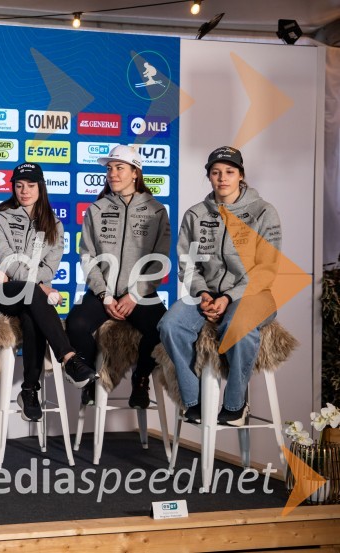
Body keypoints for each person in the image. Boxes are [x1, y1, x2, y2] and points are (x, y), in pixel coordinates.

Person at [158, 146, 281, 427]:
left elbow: (267, 269)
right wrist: (202, 294)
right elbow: (187, 265)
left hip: (253, 294)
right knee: (170, 325)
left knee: (237, 326)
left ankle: (236, 405)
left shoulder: (263, 212)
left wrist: (228, 297)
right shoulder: (195, 215)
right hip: (205, 294)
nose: (222, 178)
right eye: (215, 173)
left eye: (229, 172)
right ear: (209, 177)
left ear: (241, 175)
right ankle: (193, 401)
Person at [0, 162, 96, 422]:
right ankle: (69, 358)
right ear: (13, 187)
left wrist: (32, 282)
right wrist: (35, 283)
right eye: (19, 185)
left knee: (32, 312)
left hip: (27, 296)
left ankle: (29, 391)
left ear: (40, 187)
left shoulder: (54, 225)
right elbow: (6, 260)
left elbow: (50, 269)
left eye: (31, 185)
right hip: (0, 294)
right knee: (34, 295)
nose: (24, 191)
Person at [65, 145, 171, 409]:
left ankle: (141, 379)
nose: (112, 173)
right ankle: (88, 377)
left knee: (162, 329)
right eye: (109, 168)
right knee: (75, 324)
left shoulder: (156, 211)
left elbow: (160, 260)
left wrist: (134, 294)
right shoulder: (97, 209)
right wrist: (105, 295)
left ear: (135, 173)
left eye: (119, 168)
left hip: (141, 293)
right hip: (104, 293)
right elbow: (87, 256)